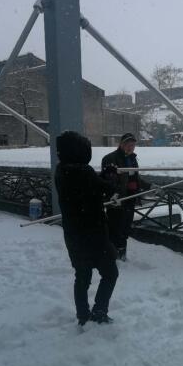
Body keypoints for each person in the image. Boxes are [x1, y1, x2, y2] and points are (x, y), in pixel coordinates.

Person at [55, 130, 119, 325]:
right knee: (110, 273)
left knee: (82, 276)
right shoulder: (84, 171)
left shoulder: (61, 170)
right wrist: (111, 175)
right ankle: (99, 311)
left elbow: (90, 187)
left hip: (74, 234)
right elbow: (107, 189)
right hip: (94, 234)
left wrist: (102, 176)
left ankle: (83, 315)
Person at [101, 133, 151, 261]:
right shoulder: (110, 158)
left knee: (125, 229)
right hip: (117, 201)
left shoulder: (132, 159)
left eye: (133, 145)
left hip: (130, 199)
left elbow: (136, 178)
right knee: (115, 229)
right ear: (121, 144)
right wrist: (114, 194)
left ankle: (121, 255)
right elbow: (108, 180)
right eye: (128, 144)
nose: (131, 147)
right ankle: (112, 257)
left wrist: (149, 186)